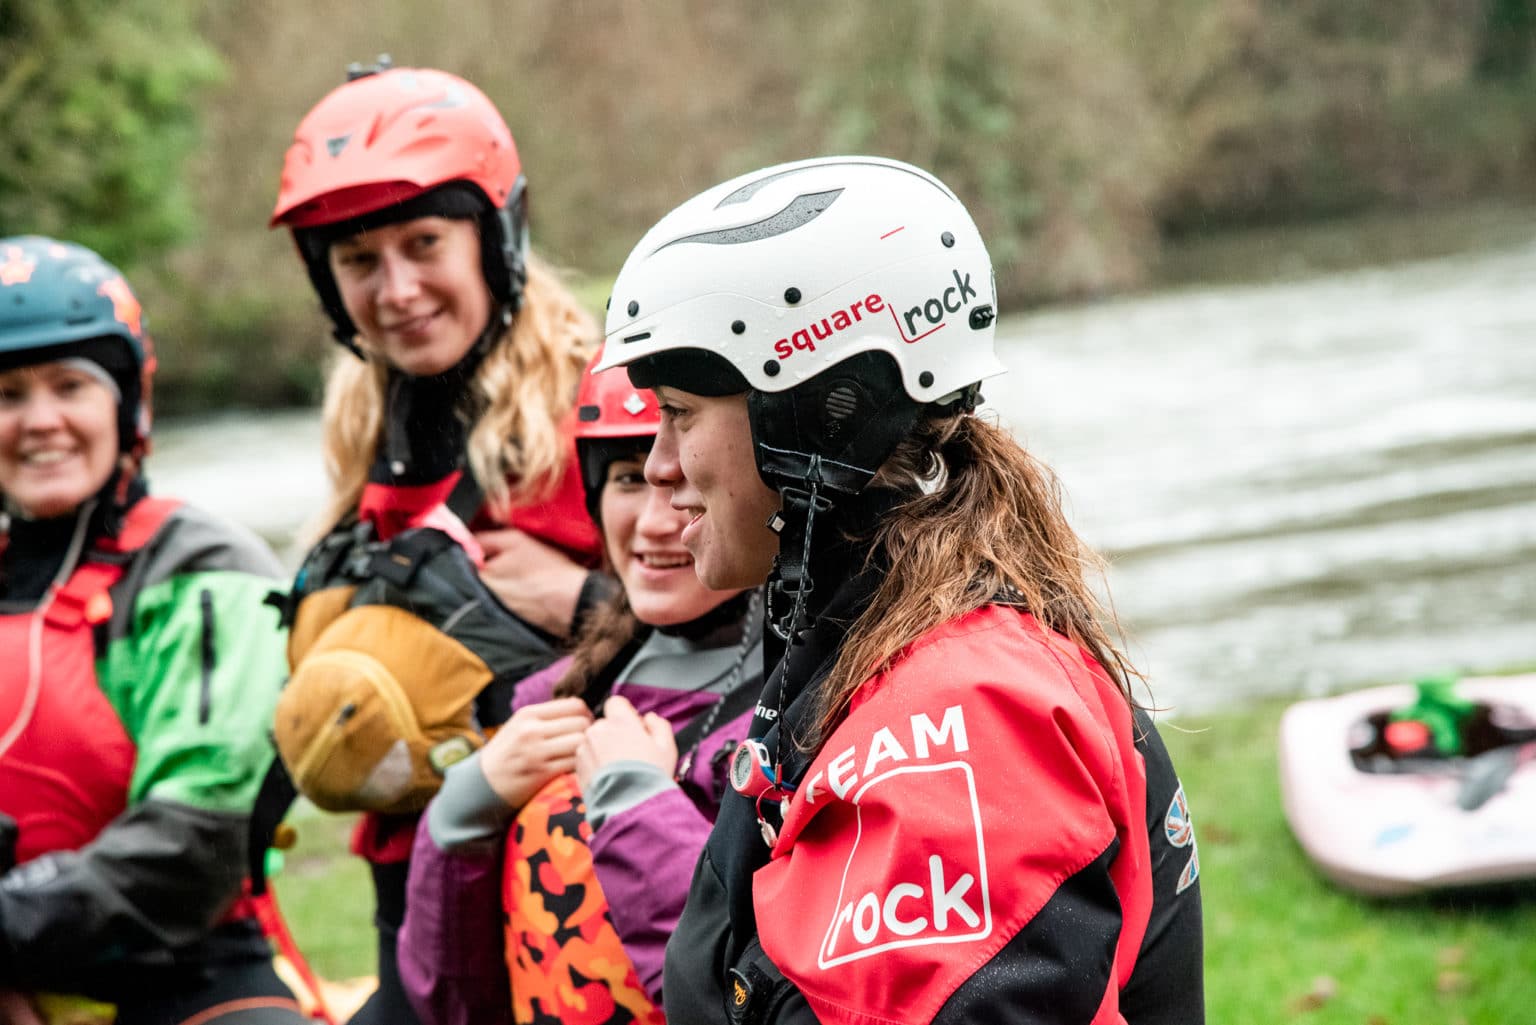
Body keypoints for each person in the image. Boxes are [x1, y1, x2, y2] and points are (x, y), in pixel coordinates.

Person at [594, 157, 1206, 1024]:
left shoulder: (965, 711)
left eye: (681, 411)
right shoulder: (870, 642)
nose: (659, 464)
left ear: (809, 413)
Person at [268, 61, 603, 1025]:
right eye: (358, 260)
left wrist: (583, 608)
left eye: (424, 243)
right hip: (408, 887)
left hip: (560, 885)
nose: (397, 289)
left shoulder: (602, 410)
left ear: (495, 237)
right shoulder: (363, 428)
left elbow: (736, 652)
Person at [397, 353, 765, 1025]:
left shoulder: (800, 710)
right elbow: (451, 1004)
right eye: (629, 478)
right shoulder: (551, 698)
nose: (655, 522)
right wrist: (458, 817)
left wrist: (638, 803)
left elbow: (755, 989)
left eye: (684, 481)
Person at [0, 236, 305, 1024]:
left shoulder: (202, 566)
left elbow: (197, 840)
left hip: (184, 975)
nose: (40, 422)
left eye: (70, 386)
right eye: (8, 395)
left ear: (126, 404)